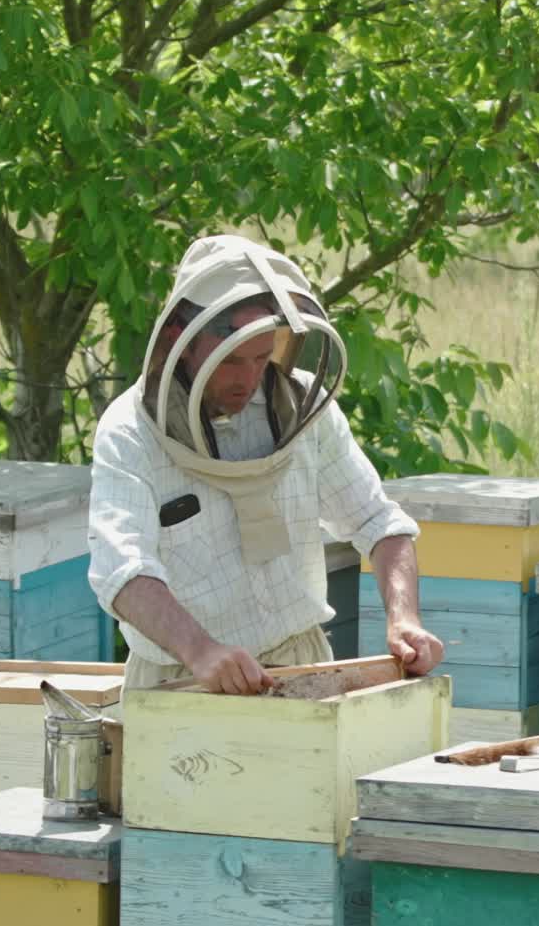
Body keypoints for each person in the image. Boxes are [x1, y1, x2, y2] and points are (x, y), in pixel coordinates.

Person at [87, 233, 444, 693]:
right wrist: (201, 651)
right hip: (184, 677)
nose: (249, 378)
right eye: (231, 361)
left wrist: (404, 618)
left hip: (302, 662)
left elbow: (377, 521)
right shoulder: (130, 432)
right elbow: (123, 572)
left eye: (261, 356)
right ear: (181, 339)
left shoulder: (303, 409)